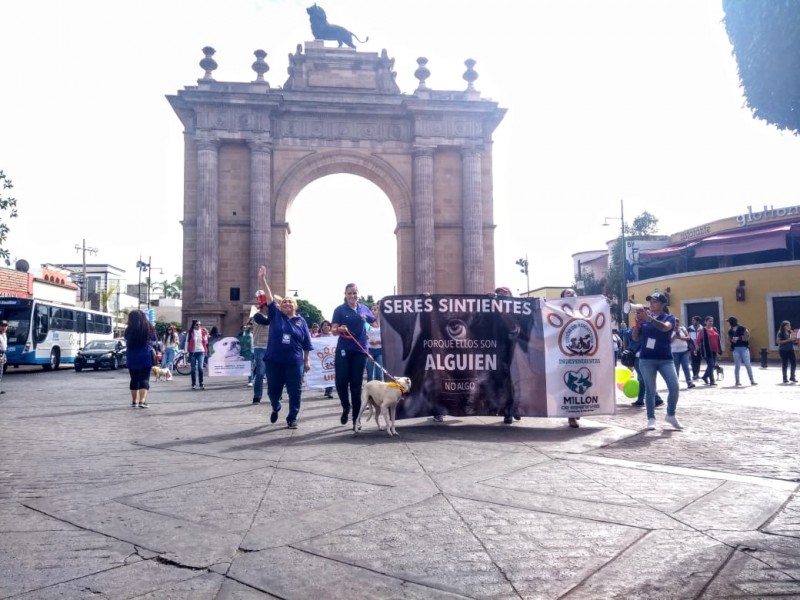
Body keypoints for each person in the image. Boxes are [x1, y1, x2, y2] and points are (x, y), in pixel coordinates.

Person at [257, 265, 313, 428]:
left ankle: (292, 417)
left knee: (295, 391)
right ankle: (276, 406)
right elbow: (269, 298)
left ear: (295, 305)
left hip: (295, 362)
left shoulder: (301, 321)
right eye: (285, 301)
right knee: (273, 390)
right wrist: (262, 279)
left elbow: (307, 343)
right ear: (280, 306)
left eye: (290, 301)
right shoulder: (275, 315)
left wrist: (307, 361)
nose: (287, 303)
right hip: (274, 360)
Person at [631, 292, 682, 431]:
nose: (651, 304)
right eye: (650, 302)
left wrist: (649, 318)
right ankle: (651, 418)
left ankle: (671, 415)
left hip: (666, 359)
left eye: (654, 301)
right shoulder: (644, 319)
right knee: (650, 390)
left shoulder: (669, 318)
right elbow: (635, 338)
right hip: (646, 359)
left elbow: (665, 327)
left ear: (662, 304)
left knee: (674, 387)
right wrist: (637, 325)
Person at [332, 283, 375, 428]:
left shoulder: (364, 309)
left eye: (355, 293)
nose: (352, 296)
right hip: (343, 349)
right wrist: (340, 328)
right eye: (349, 293)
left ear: (358, 294)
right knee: (341, 383)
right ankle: (346, 407)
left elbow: (374, 321)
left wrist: (374, 313)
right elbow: (333, 330)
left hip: (360, 350)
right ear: (345, 294)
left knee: (356, 386)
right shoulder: (339, 310)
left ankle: (356, 419)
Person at [124, 310, 157, 408]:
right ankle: (142, 401)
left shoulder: (129, 329)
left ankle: (134, 402)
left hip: (132, 355)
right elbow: (154, 338)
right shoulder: (149, 327)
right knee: (144, 379)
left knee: (134, 378)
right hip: (145, 355)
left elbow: (126, 337)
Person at [560, 288, 582, 428]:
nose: (572, 294)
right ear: (562, 298)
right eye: (568, 293)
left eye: (573, 292)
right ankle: (571, 416)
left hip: (582, 353)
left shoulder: (584, 310)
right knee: (569, 383)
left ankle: (577, 409)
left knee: (583, 381)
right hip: (564, 354)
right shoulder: (556, 311)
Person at [250, 295, 271, 404]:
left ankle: (275, 395)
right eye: (269, 306)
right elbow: (266, 322)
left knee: (272, 373)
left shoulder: (270, 317)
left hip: (271, 348)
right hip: (260, 348)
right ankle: (257, 396)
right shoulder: (257, 316)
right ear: (263, 307)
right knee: (260, 373)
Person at [727, 316, 757, 387]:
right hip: (735, 349)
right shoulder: (730, 331)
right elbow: (729, 339)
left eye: (729, 322)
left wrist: (739, 338)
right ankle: (737, 381)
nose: (728, 323)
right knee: (737, 366)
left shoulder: (742, 328)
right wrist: (732, 340)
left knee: (747, 364)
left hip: (744, 348)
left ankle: (752, 380)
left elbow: (747, 337)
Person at [671, 317, 695, 389]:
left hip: (684, 351)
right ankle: (675, 384)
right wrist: (674, 337)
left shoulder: (682, 329)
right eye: (675, 322)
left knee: (686, 367)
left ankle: (689, 382)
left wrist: (679, 337)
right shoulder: (669, 331)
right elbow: (668, 341)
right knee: (676, 368)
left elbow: (688, 337)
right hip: (674, 352)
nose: (677, 324)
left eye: (678, 322)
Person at [696, 316, 721, 386]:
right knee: (711, 365)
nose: (711, 322)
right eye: (709, 321)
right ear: (705, 322)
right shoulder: (703, 330)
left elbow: (718, 339)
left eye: (712, 321)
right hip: (707, 351)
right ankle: (712, 380)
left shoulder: (714, 329)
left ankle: (704, 376)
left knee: (711, 365)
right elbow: (698, 341)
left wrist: (719, 350)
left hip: (714, 350)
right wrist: (698, 349)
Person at [185, 319, 208, 390]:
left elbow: (206, 342)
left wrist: (206, 335)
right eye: (197, 324)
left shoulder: (203, 332)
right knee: (193, 369)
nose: (198, 326)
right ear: (194, 325)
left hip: (201, 351)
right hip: (193, 352)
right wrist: (186, 352)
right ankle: (194, 384)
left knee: (200, 368)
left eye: (199, 324)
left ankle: (201, 383)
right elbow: (187, 342)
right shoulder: (191, 332)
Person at [366, 303, 384, 382]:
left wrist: (379, 341)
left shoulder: (384, 323)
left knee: (379, 374)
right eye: (371, 310)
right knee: (369, 374)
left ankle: (378, 393)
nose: (372, 311)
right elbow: (362, 336)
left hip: (380, 350)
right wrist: (369, 340)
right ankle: (369, 393)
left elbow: (388, 337)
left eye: (375, 309)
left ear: (379, 311)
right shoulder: (367, 323)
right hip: (369, 350)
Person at [318, 320, 335, 398]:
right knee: (324, 374)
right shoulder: (318, 337)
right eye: (324, 325)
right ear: (321, 327)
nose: (326, 326)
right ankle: (326, 389)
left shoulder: (334, 336)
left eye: (327, 325)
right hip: (321, 358)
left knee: (330, 373)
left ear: (330, 327)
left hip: (331, 357)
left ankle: (329, 391)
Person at [687, 316, 703, 380]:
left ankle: (697, 373)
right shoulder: (689, 328)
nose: (692, 322)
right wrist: (690, 346)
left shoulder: (702, 328)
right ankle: (694, 374)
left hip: (700, 347)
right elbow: (687, 337)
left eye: (694, 320)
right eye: (692, 320)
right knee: (693, 360)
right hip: (692, 347)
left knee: (698, 360)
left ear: (697, 321)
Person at [0, 320, 7, 395]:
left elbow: (4, 347)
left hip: (2, 354)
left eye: (5, 326)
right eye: (2, 326)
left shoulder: (4, 334)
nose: (3, 327)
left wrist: (5, 356)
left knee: (0, 372)